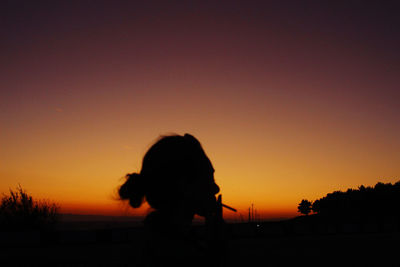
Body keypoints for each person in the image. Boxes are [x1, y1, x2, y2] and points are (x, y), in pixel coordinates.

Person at [118, 133, 227, 267]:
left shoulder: (155, 242)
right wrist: (217, 249)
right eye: (208, 178)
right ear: (183, 184)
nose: (216, 188)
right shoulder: (175, 254)